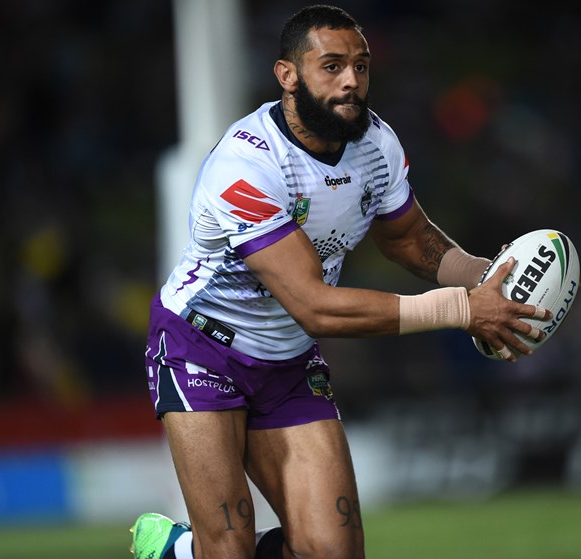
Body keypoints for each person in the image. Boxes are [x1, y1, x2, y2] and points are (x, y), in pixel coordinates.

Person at [130, 5, 551, 559]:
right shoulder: (245, 165)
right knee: (225, 549)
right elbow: (315, 307)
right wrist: (461, 309)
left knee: (334, 552)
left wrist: (488, 278)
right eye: (331, 66)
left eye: (361, 65)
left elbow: (408, 239)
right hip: (201, 349)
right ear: (287, 75)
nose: (351, 80)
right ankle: (179, 549)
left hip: (287, 361)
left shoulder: (377, 145)